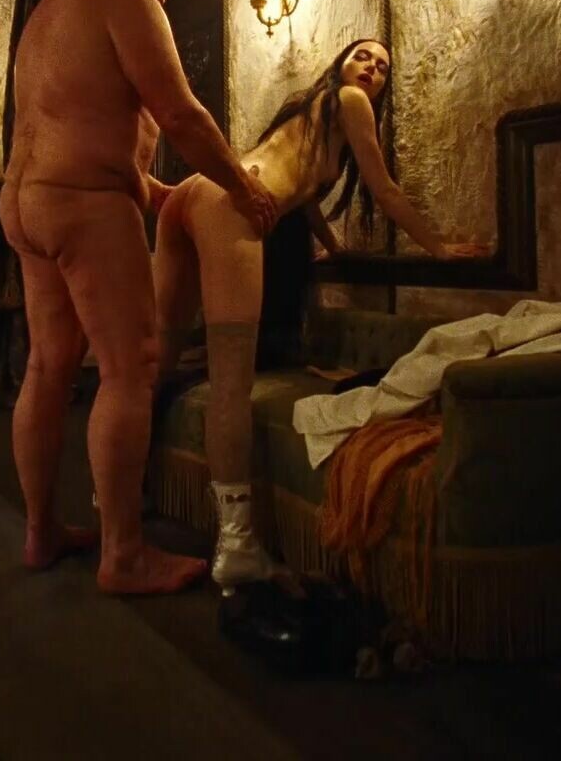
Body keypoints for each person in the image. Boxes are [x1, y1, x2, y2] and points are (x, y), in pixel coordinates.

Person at [0, 0, 279, 595]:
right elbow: (180, 113)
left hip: (26, 201)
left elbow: (79, 123)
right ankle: (123, 556)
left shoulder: (50, 9)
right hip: (84, 204)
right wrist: (243, 187)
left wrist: (157, 191)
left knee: (47, 365)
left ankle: (40, 532)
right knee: (130, 369)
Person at [153, 37, 485, 589]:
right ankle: (236, 547)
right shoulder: (349, 101)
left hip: (195, 195)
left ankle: (114, 502)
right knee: (231, 385)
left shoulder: (313, 115)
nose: (371, 68)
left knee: (156, 359)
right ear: (340, 65)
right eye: (363, 57)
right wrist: (440, 248)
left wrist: (331, 246)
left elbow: (301, 193)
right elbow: (384, 190)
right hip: (229, 207)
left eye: (382, 66)